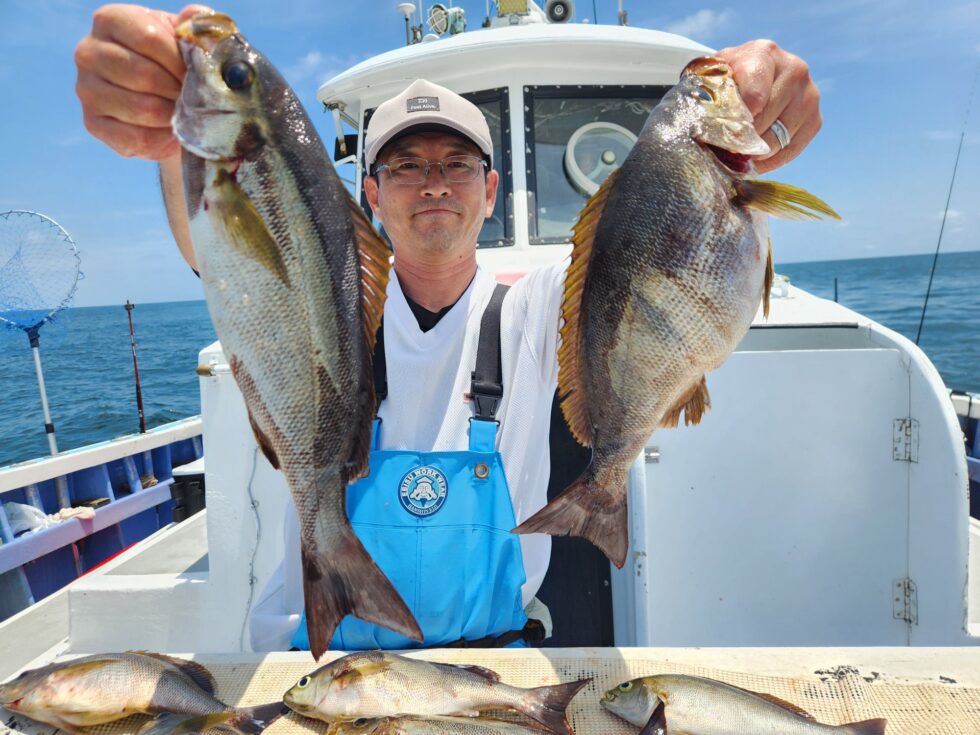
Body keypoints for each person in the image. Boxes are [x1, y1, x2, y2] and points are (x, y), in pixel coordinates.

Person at [75, 4, 824, 651]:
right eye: (404, 165)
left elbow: (648, 270)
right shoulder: (321, 304)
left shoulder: (536, 310)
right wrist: (172, 148)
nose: (433, 179)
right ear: (370, 192)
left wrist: (756, 85)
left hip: (492, 666)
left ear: (491, 189)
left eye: (457, 162)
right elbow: (231, 259)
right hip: (316, 667)